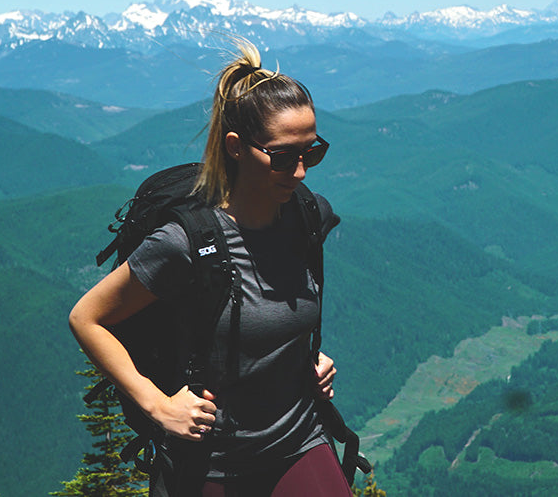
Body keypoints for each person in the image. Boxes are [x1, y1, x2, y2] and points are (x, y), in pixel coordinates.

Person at [69, 41, 352, 496]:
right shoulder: (187, 243)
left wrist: (308, 357)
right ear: (236, 148)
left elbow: (274, 317)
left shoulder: (306, 218)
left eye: (312, 152)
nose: (300, 172)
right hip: (215, 461)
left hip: (301, 439)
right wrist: (158, 406)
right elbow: (86, 318)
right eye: (282, 156)